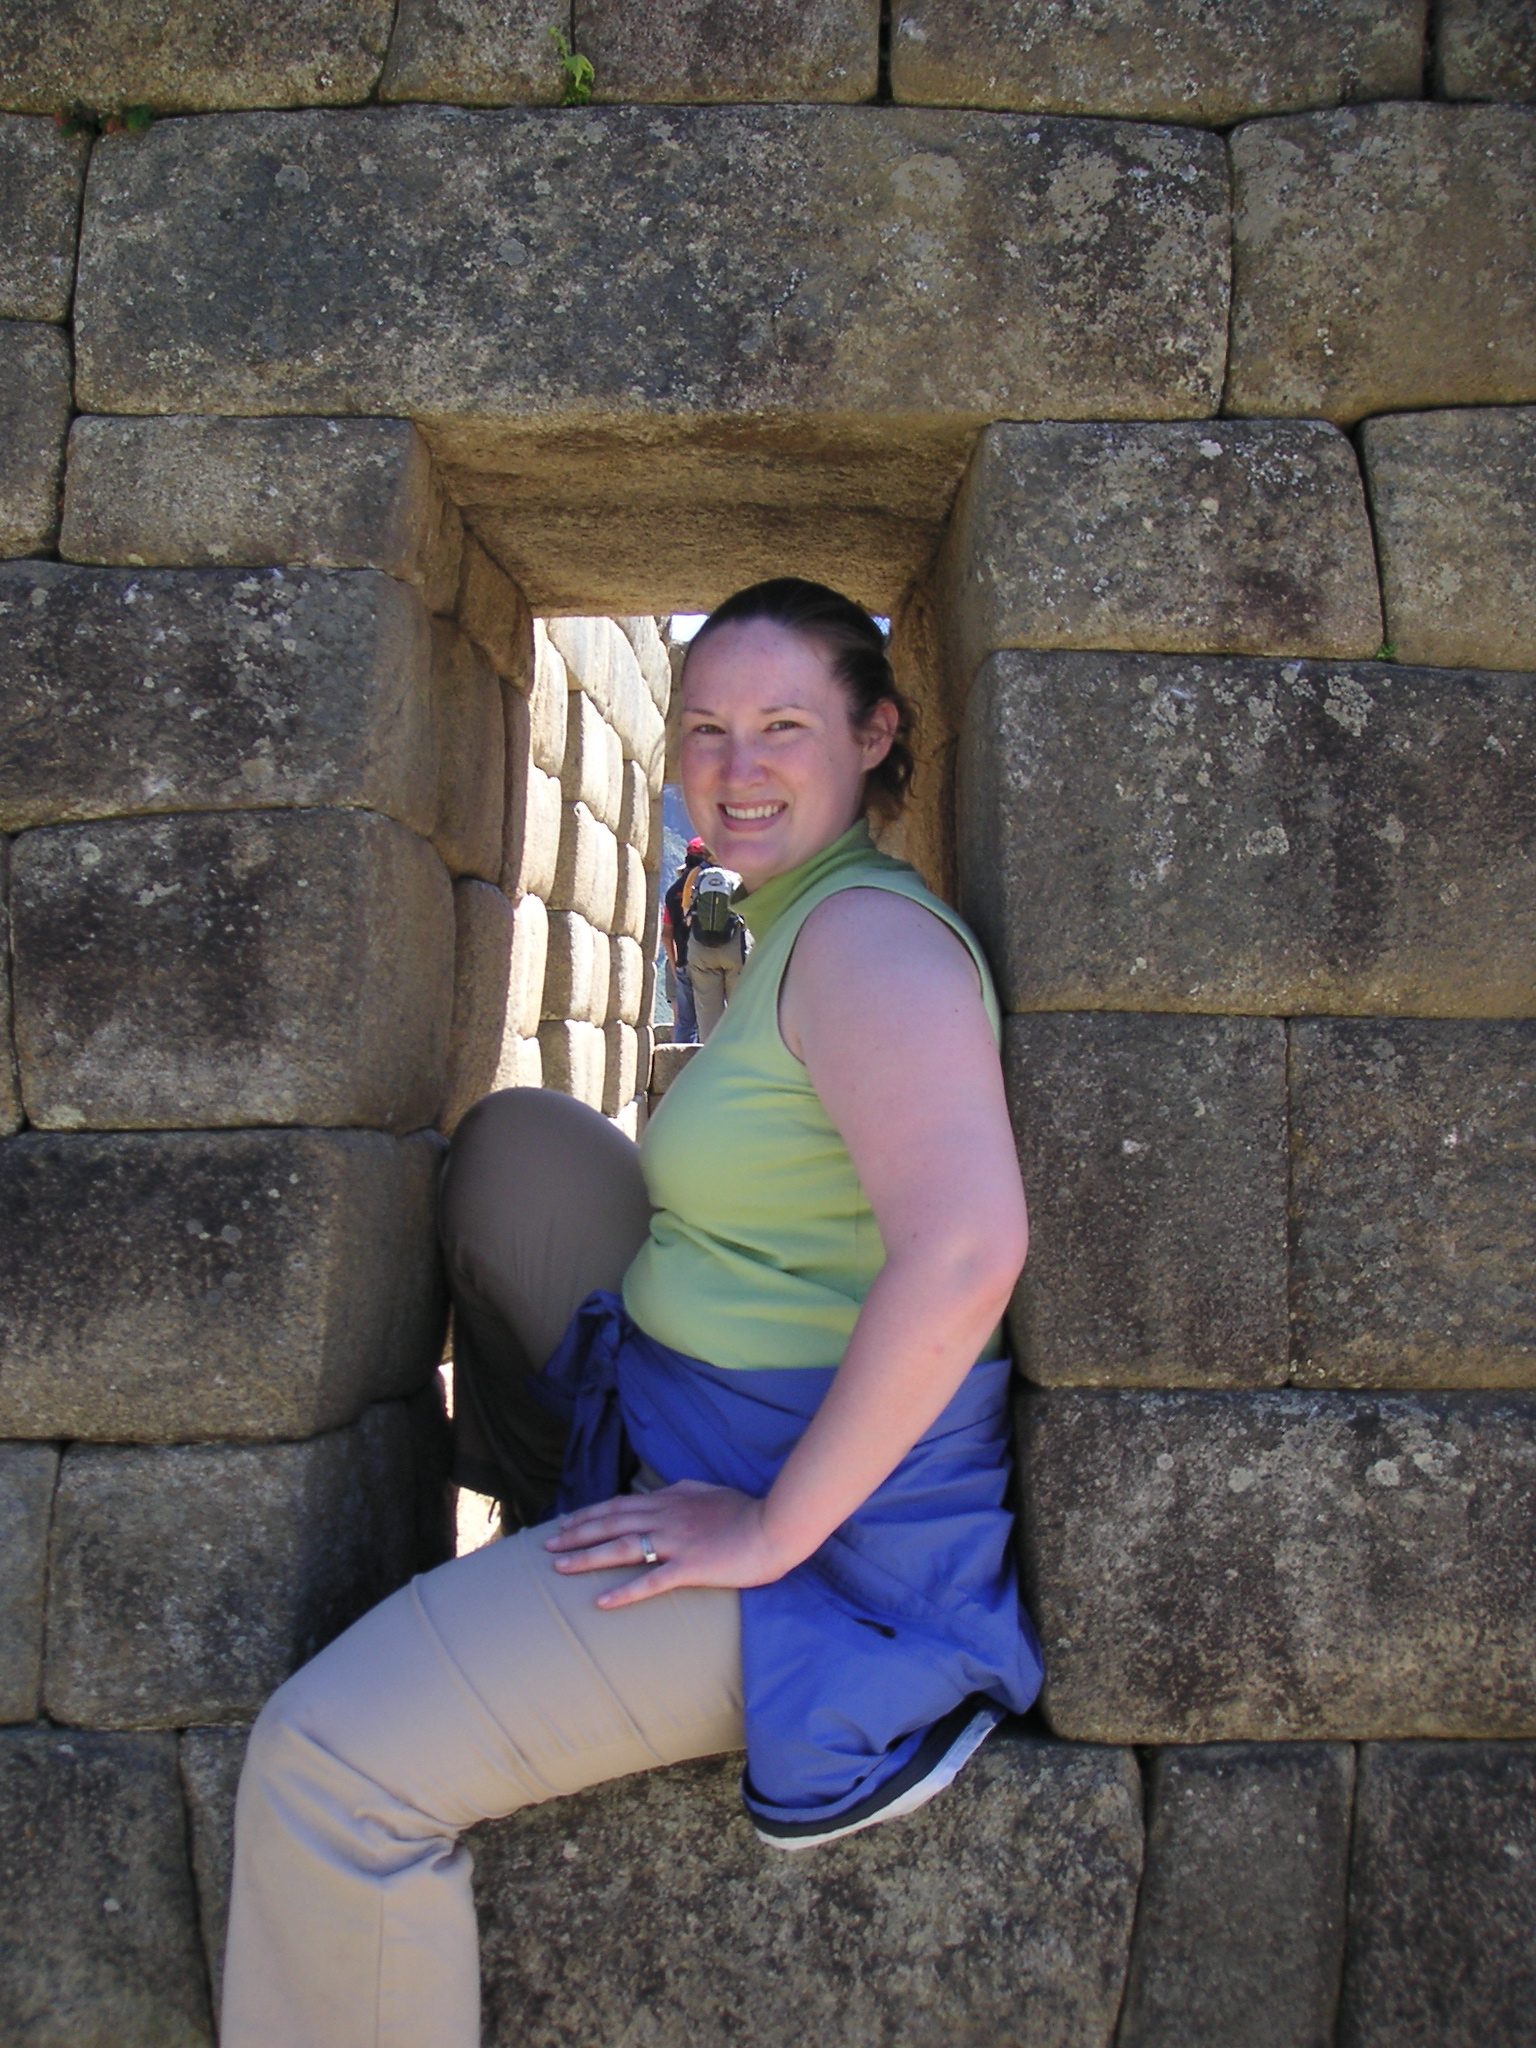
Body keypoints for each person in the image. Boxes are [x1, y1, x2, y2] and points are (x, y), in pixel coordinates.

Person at [220, 577, 1042, 2047]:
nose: (734, 769)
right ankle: (551, 1534)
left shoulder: (869, 945)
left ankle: (577, 1600)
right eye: (706, 727)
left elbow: (970, 1247)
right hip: (685, 1414)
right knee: (523, 1148)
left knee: (324, 1762)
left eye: (784, 724)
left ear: (875, 735)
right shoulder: (786, 920)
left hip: (823, 1546)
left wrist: (772, 1527)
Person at [681, 855, 750, 1039]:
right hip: (732, 947)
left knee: (707, 1012)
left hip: (701, 948)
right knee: (739, 1007)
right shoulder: (737, 877)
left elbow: (687, 903)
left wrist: (688, 914)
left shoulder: (699, 875)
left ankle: (709, 1055)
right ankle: (738, 1055)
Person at [661, 836, 707, 1042]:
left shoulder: (672, 892)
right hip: (711, 958)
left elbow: (666, 934)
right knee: (712, 1016)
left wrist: (674, 963)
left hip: (683, 960)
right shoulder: (717, 885)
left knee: (684, 1021)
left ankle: (679, 1066)